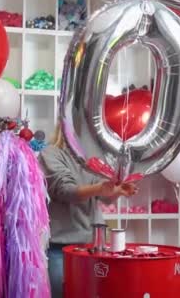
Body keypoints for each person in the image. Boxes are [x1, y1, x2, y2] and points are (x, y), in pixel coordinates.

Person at [39, 124, 138, 298]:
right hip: (61, 247)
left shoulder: (90, 160)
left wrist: (118, 190)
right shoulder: (51, 153)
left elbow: (104, 196)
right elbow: (66, 191)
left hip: (93, 246)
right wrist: (100, 189)